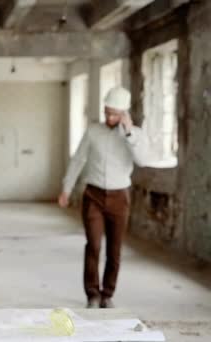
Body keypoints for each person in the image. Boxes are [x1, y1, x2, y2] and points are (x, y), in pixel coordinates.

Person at [57, 86, 150, 309]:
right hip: (94, 195)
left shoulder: (135, 135)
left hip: (120, 197)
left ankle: (107, 294)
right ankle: (92, 294)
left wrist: (128, 133)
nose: (109, 117)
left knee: (114, 249)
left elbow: (142, 160)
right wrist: (66, 189)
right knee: (94, 245)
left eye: (114, 114)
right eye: (106, 112)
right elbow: (78, 160)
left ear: (124, 113)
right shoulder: (93, 132)